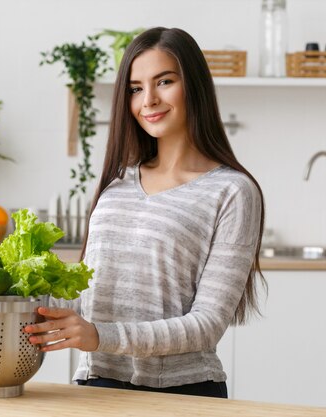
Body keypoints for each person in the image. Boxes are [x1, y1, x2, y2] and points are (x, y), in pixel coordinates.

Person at [23, 27, 265, 399]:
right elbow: (88, 292)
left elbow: (207, 325)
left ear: (194, 85)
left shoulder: (232, 191)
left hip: (185, 393)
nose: (148, 100)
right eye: (135, 88)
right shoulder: (116, 182)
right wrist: (13, 294)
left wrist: (100, 336)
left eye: (164, 81)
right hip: (95, 385)